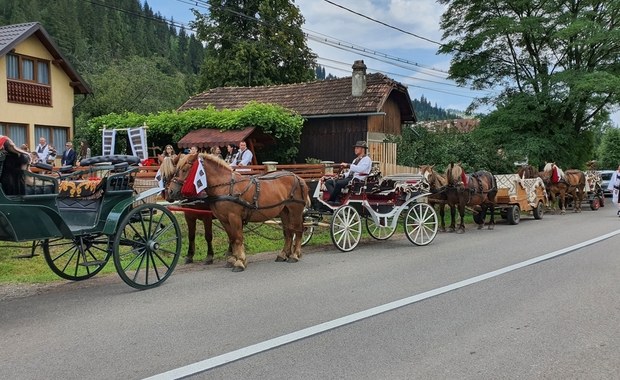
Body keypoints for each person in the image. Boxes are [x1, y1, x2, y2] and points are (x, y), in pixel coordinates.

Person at [324, 140, 372, 205]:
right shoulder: (355, 160)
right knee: (328, 182)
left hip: (357, 180)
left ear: (363, 149)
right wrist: (343, 175)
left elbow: (361, 169)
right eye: (355, 148)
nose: (355, 149)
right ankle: (337, 199)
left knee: (338, 183)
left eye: (357, 148)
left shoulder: (367, 159)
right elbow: (350, 172)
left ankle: (332, 200)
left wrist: (348, 165)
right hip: (350, 178)